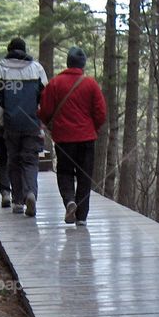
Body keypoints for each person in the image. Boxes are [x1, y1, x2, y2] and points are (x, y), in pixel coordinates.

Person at [38, 46, 106, 227]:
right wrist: (93, 128)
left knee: (65, 172)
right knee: (84, 176)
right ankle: (82, 217)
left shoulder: (55, 83)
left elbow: (45, 110)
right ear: (82, 64)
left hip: (64, 139)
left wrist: (50, 124)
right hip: (86, 138)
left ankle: (69, 201)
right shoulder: (91, 84)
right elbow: (101, 113)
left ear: (68, 62)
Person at [0, 37, 48, 217]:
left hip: (11, 123)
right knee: (30, 160)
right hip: (31, 122)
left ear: (9, 50)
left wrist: (0, 119)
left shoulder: (2, 68)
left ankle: (17, 202)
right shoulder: (36, 68)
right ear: (24, 50)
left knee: (13, 160)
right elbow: (45, 95)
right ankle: (30, 192)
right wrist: (41, 119)